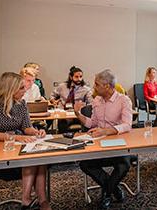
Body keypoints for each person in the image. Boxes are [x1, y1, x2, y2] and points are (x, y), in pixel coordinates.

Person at [74, 69, 133, 209]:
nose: (94, 87)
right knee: (85, 164)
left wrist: (105, 131)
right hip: (98, 144)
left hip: (118, 143)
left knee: (124, 164)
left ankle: (106, 193)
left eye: (97, 84)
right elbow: (92, 123)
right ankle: (113, 189)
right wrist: (77, 113)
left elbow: (127, 125)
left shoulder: (124, 100)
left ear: (107, 86)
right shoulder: (96, 100)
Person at [0, 72, 50, 210]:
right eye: (21, 88)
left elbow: (26, 127)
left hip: (20, 145)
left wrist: (36, 132)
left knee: (39, 158)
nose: (25, 91)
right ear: (9, 89)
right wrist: (16, 137)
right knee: (30, 160)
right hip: (1, 150)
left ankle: (42, 200)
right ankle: (27, 200)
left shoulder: (21, 104)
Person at [50, 66, 93, 132]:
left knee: (83, 124)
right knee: (62, 125)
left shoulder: (86, 89)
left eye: (81, 77)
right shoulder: (62, 86)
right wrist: (53, 101)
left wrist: (83, 106)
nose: (79, 79)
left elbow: (90, 103)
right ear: (71, 77)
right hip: (64, 113)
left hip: (77, 114)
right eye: (76, 77)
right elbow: (52, 95)